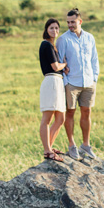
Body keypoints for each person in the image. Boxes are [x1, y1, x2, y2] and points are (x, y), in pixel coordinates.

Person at [56, 8, 99, 160]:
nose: (70, 25)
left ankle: (86, 146)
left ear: (80, 21)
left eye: (72, 22)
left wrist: (94, 78)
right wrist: (66, 82)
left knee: (87, 112)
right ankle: (72, 145)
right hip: (71, 83)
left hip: (88, 82)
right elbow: (60, 61)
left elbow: (94, 59)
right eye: (68, 22)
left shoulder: (89, 38)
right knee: (70, 113)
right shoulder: (63, 40)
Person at [38, 18, 68, 162]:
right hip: (51, 81)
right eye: (51, 28)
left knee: (60, 118)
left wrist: (62, 67)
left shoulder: (53, 46)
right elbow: (55, 67)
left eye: (57, 28)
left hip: (58, 82)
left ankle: (49, 146)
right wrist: (65, 64)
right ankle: (47, 150)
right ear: (46, 30)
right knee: (47, 119)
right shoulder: (46, 45)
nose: (54, 31)